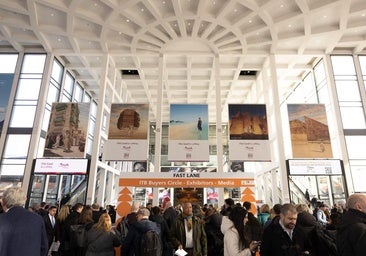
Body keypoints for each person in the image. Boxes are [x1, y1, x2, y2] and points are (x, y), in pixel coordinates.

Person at [0, 187, 48, 256]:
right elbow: (44, 247)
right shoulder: (37, 219)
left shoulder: (2, 219)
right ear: (25, 200)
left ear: (3, 201)